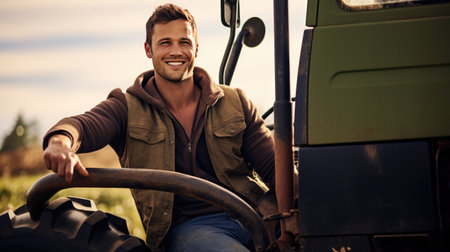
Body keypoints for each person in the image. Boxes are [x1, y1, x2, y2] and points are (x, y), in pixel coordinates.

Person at [43, 3, 275, 252]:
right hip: (194, 229)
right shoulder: (126, 107)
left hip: (257, 215)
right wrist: (60, 143)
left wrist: (296, 209)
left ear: (196, 48)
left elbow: (274, 167)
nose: (176, 51)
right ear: (148, 49)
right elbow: (81, 126)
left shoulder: (234, 101)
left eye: (184, 42)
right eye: (165, 42)